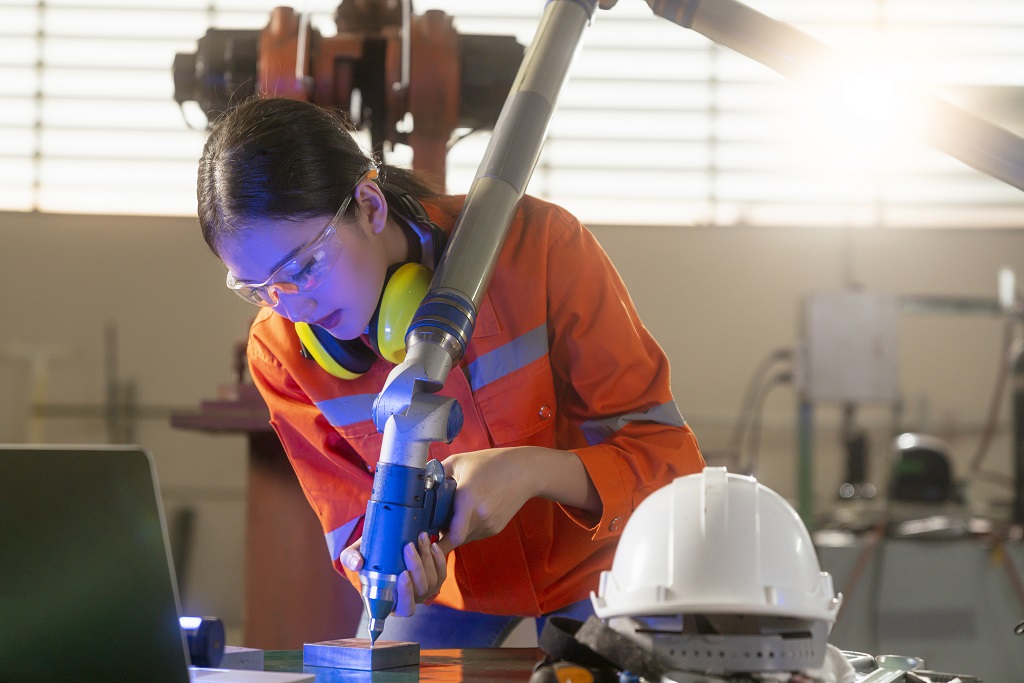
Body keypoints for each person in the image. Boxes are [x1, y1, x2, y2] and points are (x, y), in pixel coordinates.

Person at [196, 96, 705, 648]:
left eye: (305, 266)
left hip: (605, 561)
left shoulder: (539, 248)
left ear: (369, 205)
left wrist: (534, 471)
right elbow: (351, 527)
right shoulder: (280, 353)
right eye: (260, 288)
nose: (292, 308)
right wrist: (378, 563)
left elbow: (671, 463)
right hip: (452, 591)